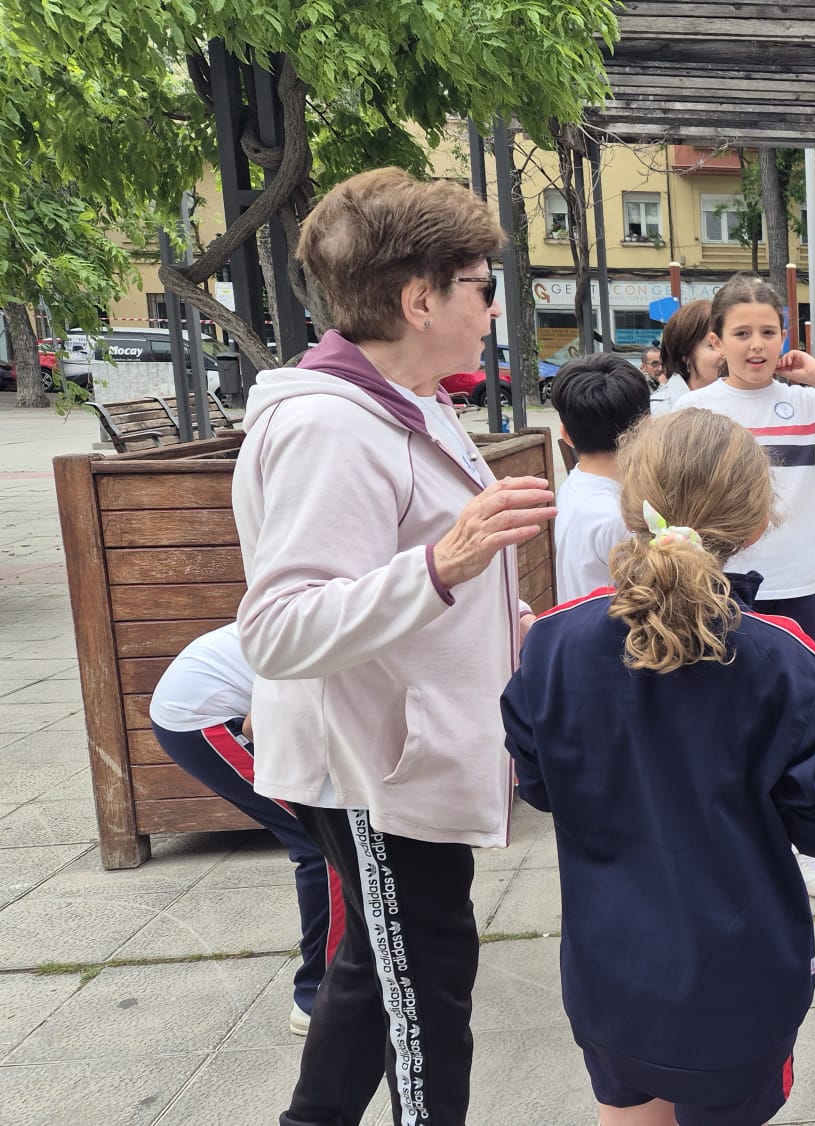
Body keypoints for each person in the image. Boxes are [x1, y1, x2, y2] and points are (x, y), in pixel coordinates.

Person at [234, 167, 555, 1126]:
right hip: (371, 763)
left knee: (379, 973)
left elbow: (413, 569)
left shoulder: (407, 401)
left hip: (400, 752)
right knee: (425, 992)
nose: (493, 310)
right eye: (482, 287)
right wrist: (447, 565)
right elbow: (280, 626)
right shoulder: (329, 427)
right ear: (420, 300)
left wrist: (512, 621)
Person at [502, 408, 815, 1126]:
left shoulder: (550, 643)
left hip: (609, 968)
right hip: (738, 978)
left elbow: (538, 786)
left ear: (629, 505)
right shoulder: (785, 660)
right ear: (757, 523)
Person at [672, 274, 815, 898]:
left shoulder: (803, 404)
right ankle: (734, 839)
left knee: (804, 715)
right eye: (741, 333)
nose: (756, 345)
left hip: (795, 585)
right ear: (716, 340)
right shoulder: (692, 412)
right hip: (717, 587)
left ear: (785, 337)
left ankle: (806, 842)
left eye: (769, 332)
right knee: (725, 714)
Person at [148, 623, 336, 1039]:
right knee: (323, 844)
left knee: (337, 829)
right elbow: (259, 723)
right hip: (202, 719)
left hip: (216, 699)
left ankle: (354, 964)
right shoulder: (320, 635)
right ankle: (318, 997)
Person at [551, 353, 652, 602]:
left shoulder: (573, 485)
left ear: (566, 434)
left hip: (577, 619)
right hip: (612, 626)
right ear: (647, 427)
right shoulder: (621, 519)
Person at [651, 299, 725, 415]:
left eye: (726, 343)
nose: (724, 353)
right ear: (685, 353)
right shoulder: (661, 409)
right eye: (712, 345)